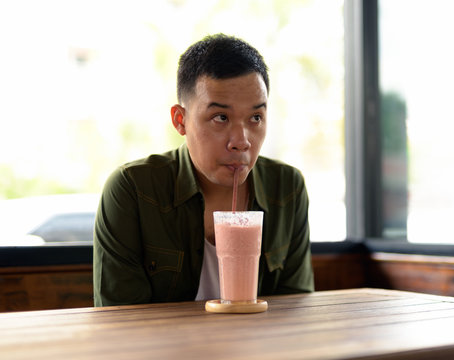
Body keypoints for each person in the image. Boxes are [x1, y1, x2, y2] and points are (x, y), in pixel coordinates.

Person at [93, 34, 314, 306]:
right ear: (180, 120)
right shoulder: (133, 190)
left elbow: (297, 310)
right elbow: (121, 319)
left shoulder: (287, 187)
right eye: (221, 117)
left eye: (255, 117)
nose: (241, 141)